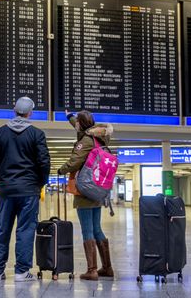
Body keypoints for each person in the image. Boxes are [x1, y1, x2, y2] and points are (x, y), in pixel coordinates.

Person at [0, 97, 50, 282]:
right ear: (30, 113)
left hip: (6, 190)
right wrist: (40, 183)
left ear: (14, 111)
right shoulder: (37, 134)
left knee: (2, 229)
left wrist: (0, 180)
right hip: (29, 190)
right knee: (26, 230)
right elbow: (44, 162)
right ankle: (21, 272)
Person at [57, 110, 114, 281]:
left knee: (87, 230)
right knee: (97, 229)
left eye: (77, 123)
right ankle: (107, 268)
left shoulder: (86, 141)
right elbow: (80, 126)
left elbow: (75, 161)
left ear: (81, 125)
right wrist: (69, 117)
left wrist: (61, 169)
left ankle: (92, 270)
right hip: (97, 190)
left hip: (85, 190)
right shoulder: (98, 138)